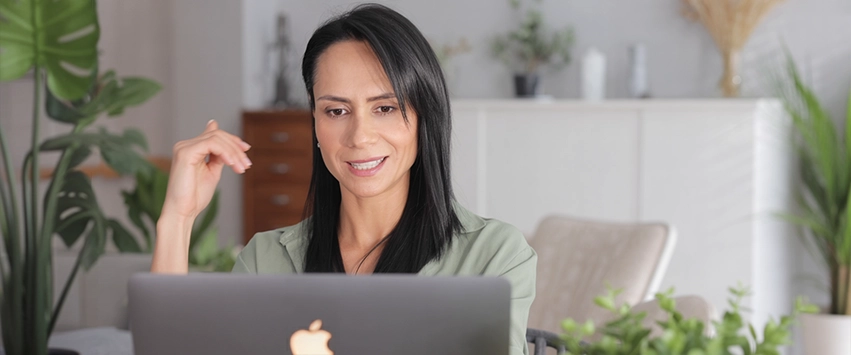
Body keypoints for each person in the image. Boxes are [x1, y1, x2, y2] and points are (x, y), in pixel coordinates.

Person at [151, 4, 536, 354]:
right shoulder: (264, 260)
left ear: (424, 118)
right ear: (315, 123)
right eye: (336, 111)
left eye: (385, 108)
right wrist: (178, 218)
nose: (359, 137)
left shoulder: (493, 257)